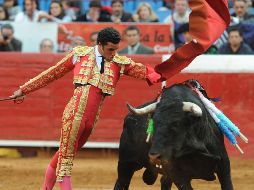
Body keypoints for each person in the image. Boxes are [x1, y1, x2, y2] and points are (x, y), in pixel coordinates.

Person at [10, 27, 161, 190]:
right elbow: (52, 73)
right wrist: (24, 89)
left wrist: (166, 71)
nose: (113, 53)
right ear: (100, 45)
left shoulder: (118, 63)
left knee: (62, 156)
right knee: (66, 161)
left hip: (91, 120)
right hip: (74, 114)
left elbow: (146, 72)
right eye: (110, 49)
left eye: (116, 49)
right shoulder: (79, 54)